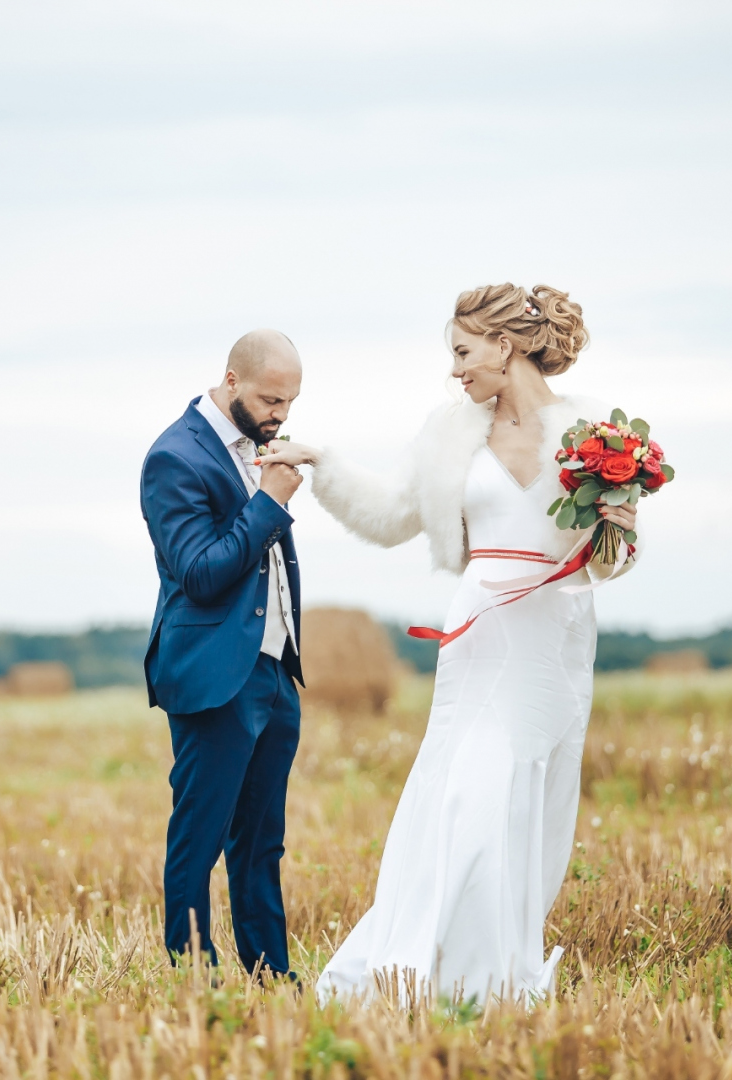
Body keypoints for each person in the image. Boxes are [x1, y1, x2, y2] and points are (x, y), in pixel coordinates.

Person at [253, 283, 640, 1002]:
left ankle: (493, 970)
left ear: (505, 345)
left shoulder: (594, 434)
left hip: (555, 631)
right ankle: (428, 966)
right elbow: (391, 510)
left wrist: (619, 519)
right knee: (468, 786)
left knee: (531, 799)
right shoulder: (451, 433)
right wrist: (321, 462)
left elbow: (613, 560)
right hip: (480, 631)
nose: (455, 370)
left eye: (462, 352)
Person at [139, 328, 307, 979]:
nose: (281, 415)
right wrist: (270, 502)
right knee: (200, 835)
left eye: (289, 403)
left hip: (273, 675)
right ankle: (192, 973)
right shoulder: (174, 457)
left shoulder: (257, 446)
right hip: (214, 677)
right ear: (231, 380)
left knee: (263, 842)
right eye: (270, 399)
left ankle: (272, 973)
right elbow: (200, 572)